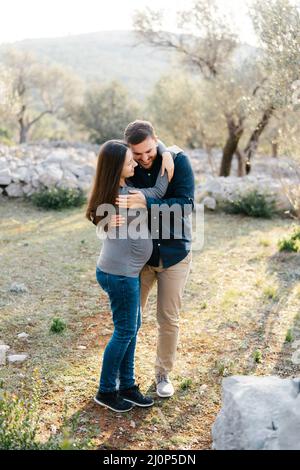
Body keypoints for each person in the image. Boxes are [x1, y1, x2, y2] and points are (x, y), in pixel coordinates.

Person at [86, 139, 175, 413]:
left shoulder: (121, 190)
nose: (135, 162)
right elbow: (159, 192)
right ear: (116, 168)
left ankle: (127, 385)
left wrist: (166, 153)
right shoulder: (119, 196)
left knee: (130, 330)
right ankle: (106, 390)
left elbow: (153, 194)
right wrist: (168, 154)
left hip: (125, 272)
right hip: (120, 275)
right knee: (125, 331)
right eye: (129, 161)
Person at [116, 120, 195, 398]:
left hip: (175, 253)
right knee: (129, 318)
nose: (145, 159)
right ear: (129, 151)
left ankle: (163, 374)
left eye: (150, 151)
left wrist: (146, 203)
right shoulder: (127, 167)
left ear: (156, 141)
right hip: (140, 255)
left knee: (168, 319)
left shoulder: (178, 161)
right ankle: (123, 376)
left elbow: (186, 205)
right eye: (137, 155)